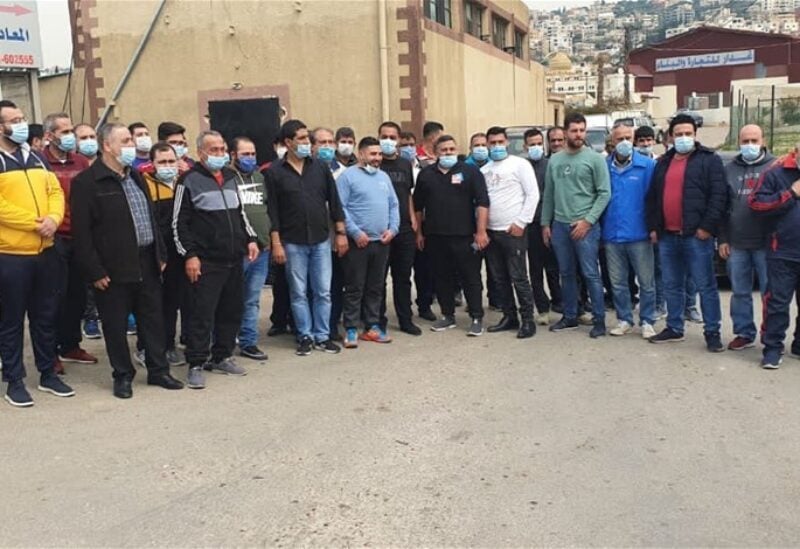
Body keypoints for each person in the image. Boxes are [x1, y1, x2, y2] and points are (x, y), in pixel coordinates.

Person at [71, 123, 184, 398]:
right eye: (125, 141)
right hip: (112, 268)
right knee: (115, 326)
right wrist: (95, 271)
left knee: (152, 320)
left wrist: (160, 254)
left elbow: (151, 220)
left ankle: (158, 371)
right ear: (107, 146)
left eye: (132, 140)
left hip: (146, 261)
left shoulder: (135, 176)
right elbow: (82, 234)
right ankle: (122, 375)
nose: (132, 145)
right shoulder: (87, 183)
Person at [0, 99, 74, 407]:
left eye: (21, 118)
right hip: (12, 256)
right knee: (12, 321)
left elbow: (54, 191)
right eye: (13, 120)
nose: (20, 123)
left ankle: (48, 374)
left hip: (45, 252)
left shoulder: (36, 158)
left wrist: (54, 219)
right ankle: (14, 380)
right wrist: (35, 224)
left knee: (45, 317)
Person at [174, 130, 259, 388]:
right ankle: (196, 362)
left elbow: (241, 214)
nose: (220, 154)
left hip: (234, 257)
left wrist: (251, 238)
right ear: (201, 153)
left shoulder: (232, 176)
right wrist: (190, 255)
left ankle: (222, 356)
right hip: (205, 261)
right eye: (214, 150)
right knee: (202, 313)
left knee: (231, 310)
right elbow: (179, 224)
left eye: (222, 149)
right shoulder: (188, 181)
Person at [265, 119, 348, 356]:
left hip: (321, 239)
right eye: (301, 138)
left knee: (323, 290)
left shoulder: (320, 168)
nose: (306, 143)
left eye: (307, 138)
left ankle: (322, 335)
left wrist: (341, 233)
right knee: (298, 292)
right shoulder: (274, 172)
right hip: (292, 242)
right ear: (288, 142)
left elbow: (334, 202)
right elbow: (273, 211)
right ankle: (305, 335)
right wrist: (277, 243)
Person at [646, 114, 727, 351]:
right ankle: (674, 327)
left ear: (695, 135)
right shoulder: (663, 162)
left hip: (696, 236)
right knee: (672, 285)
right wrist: (654, 227)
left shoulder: (709, 160)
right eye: (678, 134)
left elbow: (718, 196)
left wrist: (706, 228)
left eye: (687, 134)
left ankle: (712, 332)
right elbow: (653, 198)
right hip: (668, 236)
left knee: (706, 286)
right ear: (670, 137)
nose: (683, 138)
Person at [541, 113, 611, 338]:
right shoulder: (555, 160)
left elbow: (604, 193)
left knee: (591, 274)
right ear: (565, 132)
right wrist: (545, 223)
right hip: (560, 225)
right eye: (574, 130)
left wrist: (588, 221)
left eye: (582, 130)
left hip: (585, 227)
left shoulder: (594, 159)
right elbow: (549, 194)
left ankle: (599, 320)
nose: (579, 134)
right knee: (566, 273)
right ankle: (570, 315)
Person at [414, 134, 489, 336]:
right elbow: (418, 207)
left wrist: (481, 232)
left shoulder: (470, 172)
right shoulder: (426, 175)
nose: (448, 153)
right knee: (441, 277)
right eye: (444, 150)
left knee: (470, 278)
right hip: (435, 236)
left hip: (465, 236)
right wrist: (419, 233)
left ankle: (476, 317)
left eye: (451, 150)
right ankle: (447, 316)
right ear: (436, 153)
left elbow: (482, 203)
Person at [42, 112, 97, 372]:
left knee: (77, 295)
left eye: (70, 130)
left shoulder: (81, 161)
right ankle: (49, 352)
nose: (69, 136)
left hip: (81, 237)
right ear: (49, 135)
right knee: (54, 297)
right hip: (54, 239)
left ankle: (70, 345)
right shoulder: (40, 162)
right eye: (63, 132)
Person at [337, 136, 400, 347]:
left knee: (376, 287)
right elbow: (340, 208)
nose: (377, 158)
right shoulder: (347, 177)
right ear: (361, 153)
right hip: (359, 243)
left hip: (381, 243)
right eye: (373, 154)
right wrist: (355, 232)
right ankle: (352, 328)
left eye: (379, 154)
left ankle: (372, 327)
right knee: (355, 287)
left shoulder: (383, 177)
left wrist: (393, 229)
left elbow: (393, 205)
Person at [718, 125, 776, 351]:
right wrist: (722, 238)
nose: (749, 145)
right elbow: (722, 207)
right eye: (745, 141)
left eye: (754, 140)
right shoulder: (729, 169)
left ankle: (772, 336)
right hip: (737, 243)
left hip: (767, 244)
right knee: (740, 292)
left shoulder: (775, 166)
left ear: (763, 141)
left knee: (770, 294)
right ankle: (744, 332)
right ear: (739, 142)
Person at [481, 126, 538, 339]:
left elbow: (532, 194)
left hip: (513, 230)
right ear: (487, 145)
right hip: (491, 232)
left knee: (519, 277)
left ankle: (527, 319)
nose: (496, 146)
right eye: (492, 143)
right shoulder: (484, 170)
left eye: (499, 142)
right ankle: (509, 316)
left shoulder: (519, 165)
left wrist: (522, 222)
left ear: (506, 142)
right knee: (499, 278)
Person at [602, 123, 657, 339]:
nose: (623, 142)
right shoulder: (604, 167)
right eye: (619, 139)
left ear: (633, 140)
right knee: (617, 282)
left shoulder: (647, 166)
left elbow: (654, 200)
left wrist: (654, 228)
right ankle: (624, 318)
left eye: (627, 138)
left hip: (639, 234)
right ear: (612, 142)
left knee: (646, 281)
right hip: (612, 235)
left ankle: (647, 320)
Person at [135, 142, 186, 368]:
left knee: (173, 302)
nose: (167, 166)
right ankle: (146, 348)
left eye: (171, 161)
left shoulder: (183, 182)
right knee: (152, 304)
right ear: (152, 164)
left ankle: (169, 345)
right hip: (154, 254)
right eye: (162, 162)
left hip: (179, 253)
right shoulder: (144, 184)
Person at [749, 144, 800, 368]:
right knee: (778, 304)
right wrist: (791, 194)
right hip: (783, 252)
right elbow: (757, 204)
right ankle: (772, 348)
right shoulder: (775, 173)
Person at [378, 121, 421, 335]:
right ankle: (378, 320)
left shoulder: (405, 164)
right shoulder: (374, 163)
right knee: (378, 278)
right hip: (380, 228)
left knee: (403, 277)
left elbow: (408, 193)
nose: (388, 141)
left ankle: (406, 319)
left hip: (404, 227)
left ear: (398, 140)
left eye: (392, 137)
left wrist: (413, 217)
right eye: (384, 136)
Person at [231, 136, 271, 361]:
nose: (250, 158)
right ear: (234, 155)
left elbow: (267, 208)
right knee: (231, 298)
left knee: (252, 299)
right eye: (245, 154)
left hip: (262, 250)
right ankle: (226, 340)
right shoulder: (228, 179)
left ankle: (248, 342)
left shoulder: (260, 177)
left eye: (253, 153)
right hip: (238, 250)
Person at [311, 126, 346, 341]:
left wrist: (342, 232)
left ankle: (330, 325)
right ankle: (308, 329)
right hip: (311, 238)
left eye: (330, 142)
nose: (327, 147)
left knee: (333, 285)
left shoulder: (344, 172)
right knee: (310, 287)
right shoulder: (307, 170)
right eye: (322, 143)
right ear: (313, 146)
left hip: (336, 238)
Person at [524, 128, 561, 324]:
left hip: (552, 222)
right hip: (531, 225)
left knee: (554, 267)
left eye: (539, 143)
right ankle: (542, 308)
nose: (536, 147)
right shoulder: (522, 167)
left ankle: (559, 302)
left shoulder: (552, 164)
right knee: (535, 269)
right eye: (532, 144)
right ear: (525, 146)